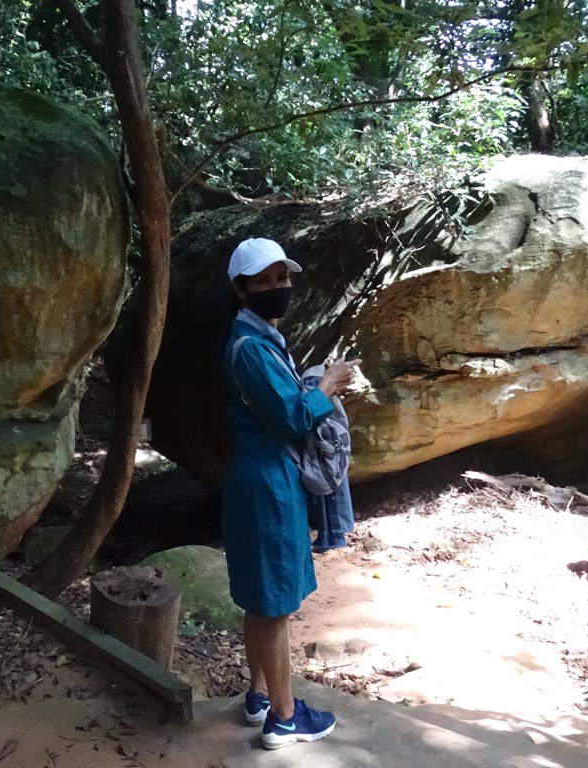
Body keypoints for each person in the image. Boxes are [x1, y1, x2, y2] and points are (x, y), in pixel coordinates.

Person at [221, 237, 360, 750]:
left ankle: (259, 694)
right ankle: (283, 717)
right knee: (275, 605)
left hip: (260, 477)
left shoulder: (262, 339)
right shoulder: (252, 348)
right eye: (266, 281)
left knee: (261, 599)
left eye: (283, 278)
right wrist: (329, 385)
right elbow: (292, 418)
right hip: (268, 484)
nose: (279, 288)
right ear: (241, 289)